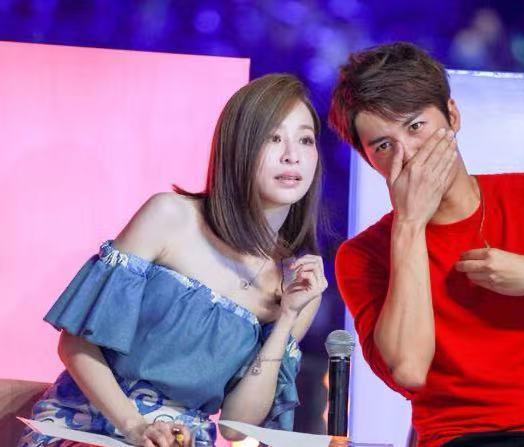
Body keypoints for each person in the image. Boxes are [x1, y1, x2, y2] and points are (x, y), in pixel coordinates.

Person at [19, 73, 327, 447]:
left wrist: (287, 318)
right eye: (273, 138)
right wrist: (135, 427)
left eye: (305, 140)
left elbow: (235, 426)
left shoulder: (296, 283)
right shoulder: (170, 217)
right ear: (239, 147)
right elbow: (75, 344)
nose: (292, 154)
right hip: (85, 427)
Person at [329, 42, 524, 447]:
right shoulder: (362, 256)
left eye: (415, 127)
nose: (407, 154)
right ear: (369, 160)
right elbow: (409, 369)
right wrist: (409, 224)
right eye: (383, 146)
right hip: (461, 439)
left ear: (452, 115)